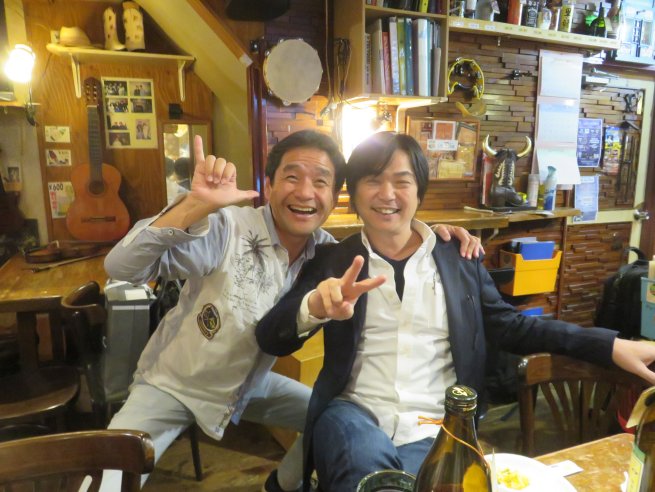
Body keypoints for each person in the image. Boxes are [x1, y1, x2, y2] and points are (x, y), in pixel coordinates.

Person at [255, 131, 655, 492]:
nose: (387, 194)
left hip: (437, 426)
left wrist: (610, 346)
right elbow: (271, 336)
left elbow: (513, 327)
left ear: (419, 192)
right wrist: (314, 307)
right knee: (363, 468)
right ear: (354, 193)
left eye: (401, 181)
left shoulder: (458, 258)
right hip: (353, 415)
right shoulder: (332, 260)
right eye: (373, 180)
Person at [100, 130, 482, 492]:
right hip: (174, 383)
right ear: (269, 185)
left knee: (324, 417)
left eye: (321, 182)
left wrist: (437, 238)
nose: (305, 192)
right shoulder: (228, 229)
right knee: (108, 474)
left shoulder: (328, 253)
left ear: (335, 196)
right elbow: (121, 267)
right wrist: (192, 206)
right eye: (292, 177)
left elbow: (396, 240)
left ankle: (282, 485)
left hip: (251, 385)